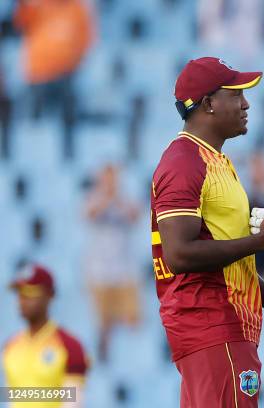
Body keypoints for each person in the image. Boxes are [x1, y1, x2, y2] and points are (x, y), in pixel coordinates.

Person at [151, 57, 264, 408]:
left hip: (225, 327)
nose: (246, 104)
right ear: (208, 103)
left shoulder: (217, 162)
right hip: (212, 324)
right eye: (236, 94)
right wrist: (263, 239)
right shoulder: (185, 161)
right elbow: (179, 254)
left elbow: (228, 264)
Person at [13, 0, 94, 159]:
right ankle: (31, 157)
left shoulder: (77, 8)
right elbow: (20, 23)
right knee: (33, 122)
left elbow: (86, 39)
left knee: (67, 118)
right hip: (38, 74)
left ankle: (67, 155)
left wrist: (75, 61)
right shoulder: (37, 5)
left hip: (66, 72)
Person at [2, 264, 88, 408]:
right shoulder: (10, 346)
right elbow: (10, 398)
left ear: (50, 295)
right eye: (20, 294)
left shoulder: (69, 346)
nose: (22, 300)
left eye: (30, 293)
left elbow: (73, 402)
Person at [83, 164, 141, 363]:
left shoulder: (124, 199)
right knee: (104, 322)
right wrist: (108, 198)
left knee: (132, 320)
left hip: (123, 270)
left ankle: (129, 359)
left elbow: (135, 216)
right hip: (99, 272)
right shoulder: (93, 197)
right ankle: (104, 359)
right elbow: (90, 214)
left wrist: (117, 199)